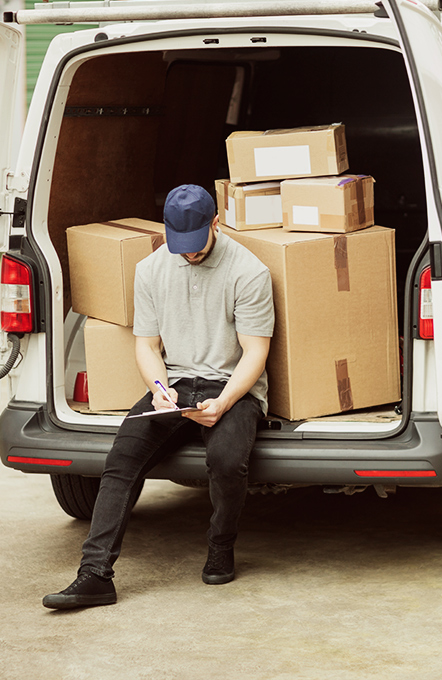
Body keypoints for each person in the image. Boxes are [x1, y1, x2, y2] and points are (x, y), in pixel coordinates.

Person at [43, 184, 274, 610]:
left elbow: (255, 353)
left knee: (227, 461)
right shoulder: (150, 269)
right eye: (180, 244)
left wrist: (223, 403)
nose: (189, 253)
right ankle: (94, 575)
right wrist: (159, 391)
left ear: (216, 224)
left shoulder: (249, 272)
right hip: (175, 384)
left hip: (232, 387)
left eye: (197, 243)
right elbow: (147, 346)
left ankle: (220, 547)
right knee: (121, 461)